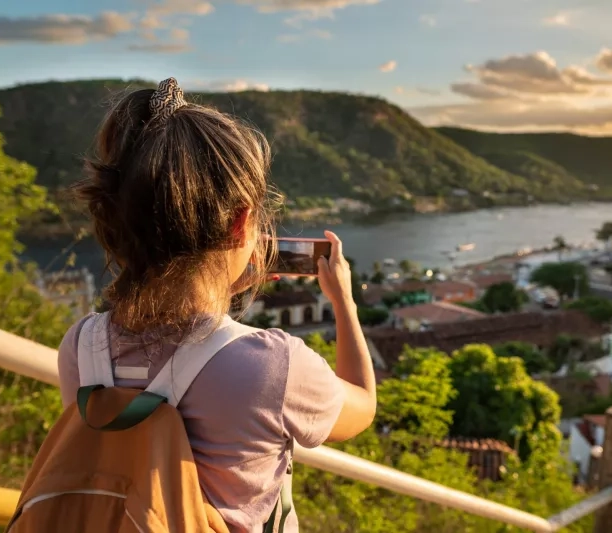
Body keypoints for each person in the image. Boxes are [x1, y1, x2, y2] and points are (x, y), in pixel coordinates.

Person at [56, 78, 376, 532]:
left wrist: (220, 280)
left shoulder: (81, 346)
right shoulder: (273, 367)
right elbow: (361, 407)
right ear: (242, 222)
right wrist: (344, 302)